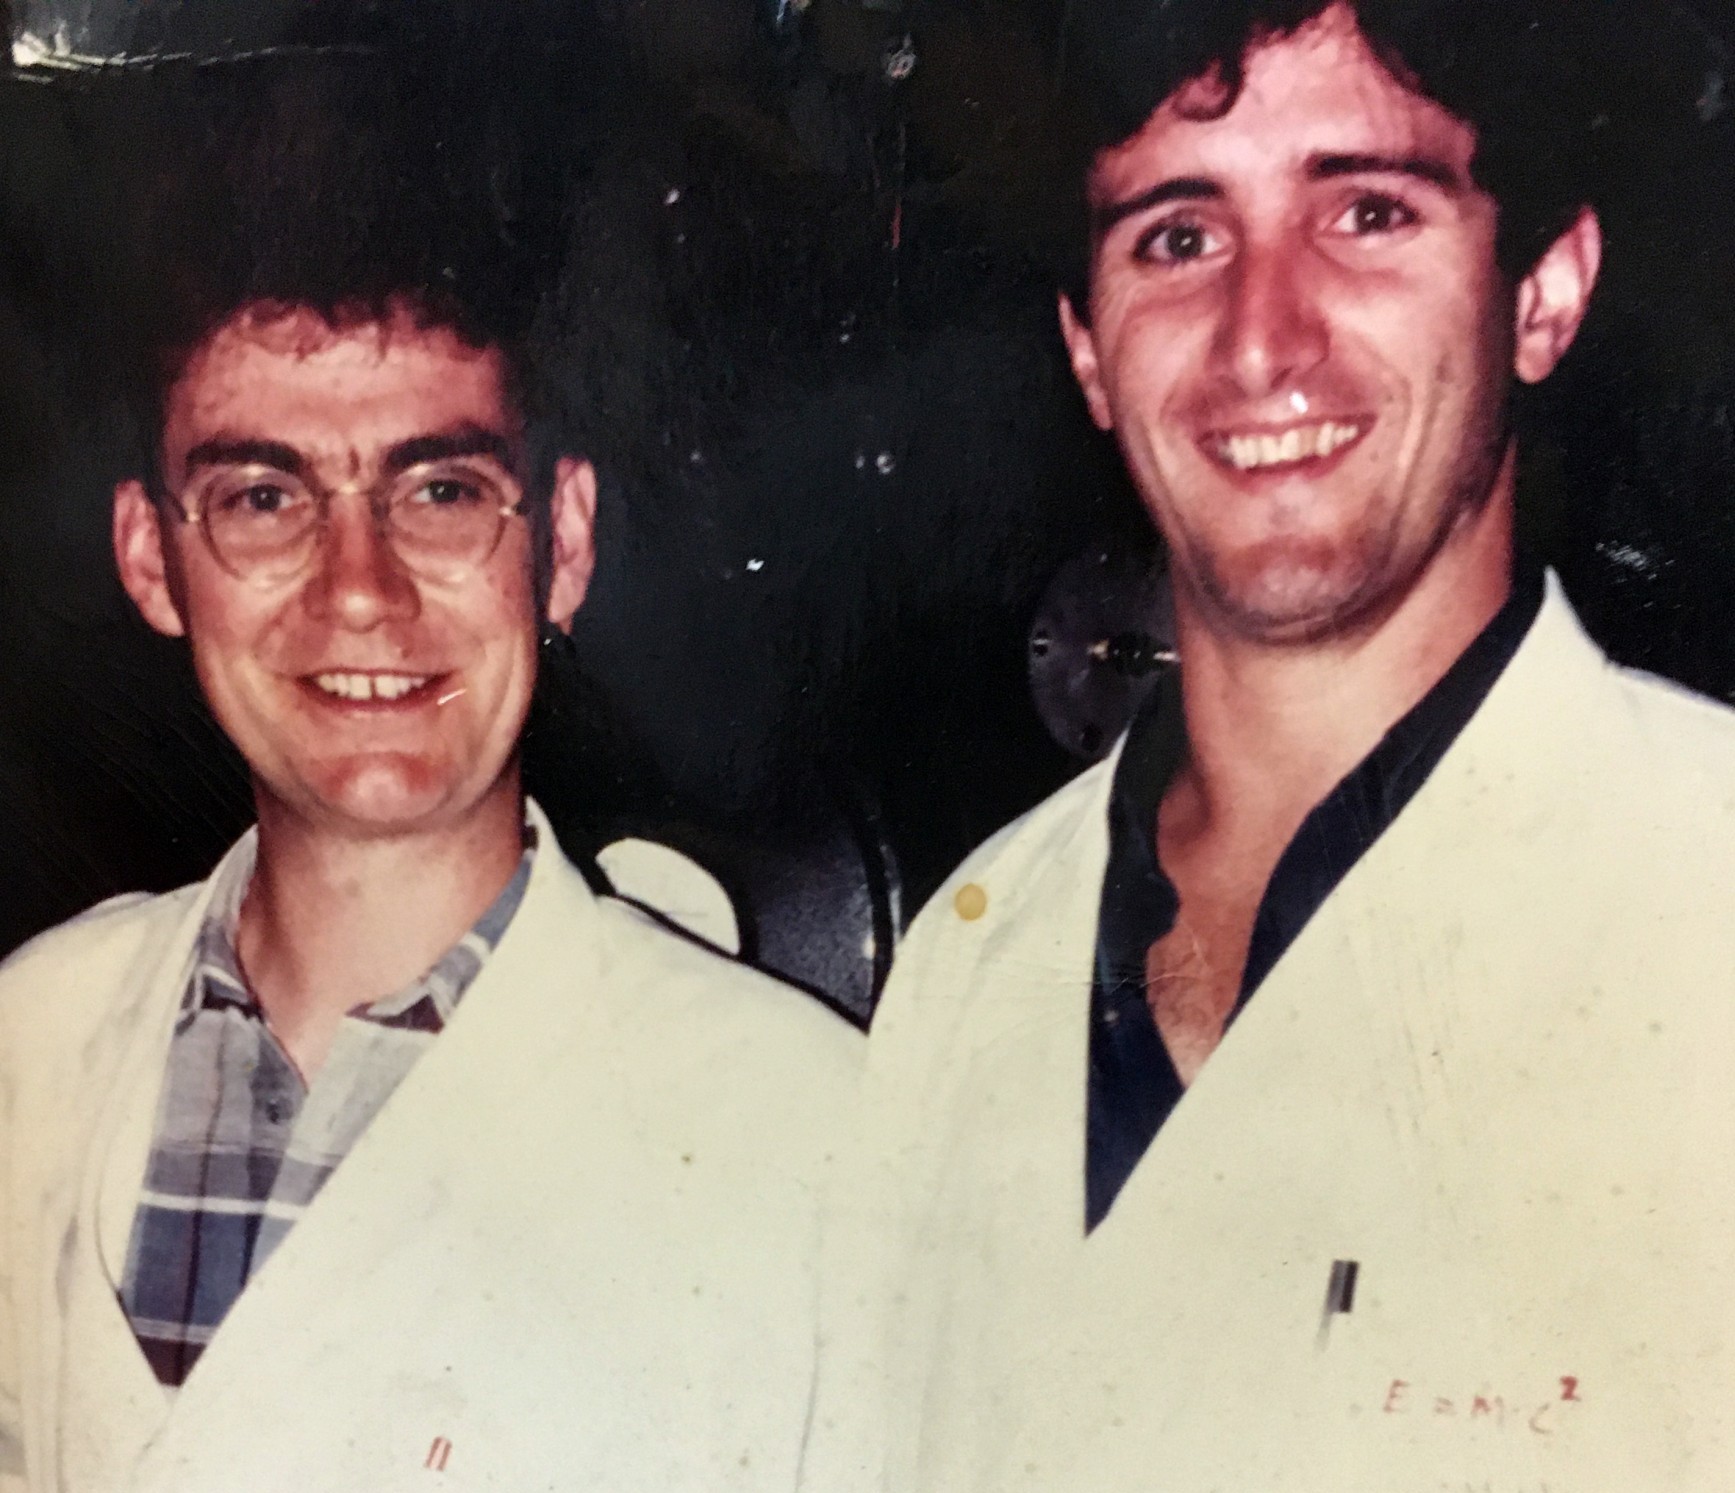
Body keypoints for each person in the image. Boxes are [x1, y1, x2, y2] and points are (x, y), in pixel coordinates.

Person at [803, 4, 1735, 1490]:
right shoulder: (974, 961)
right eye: (1179, 237)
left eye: (1368, 213)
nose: (1263, 337)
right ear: (1088, 351)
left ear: (1543, 293)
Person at [0, 77, 860, 1493]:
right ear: (154, 559)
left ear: (564, 543)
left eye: (440, 490)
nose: (359, 593)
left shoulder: (801, 1133)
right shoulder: (37, 1036)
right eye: (266, 496)